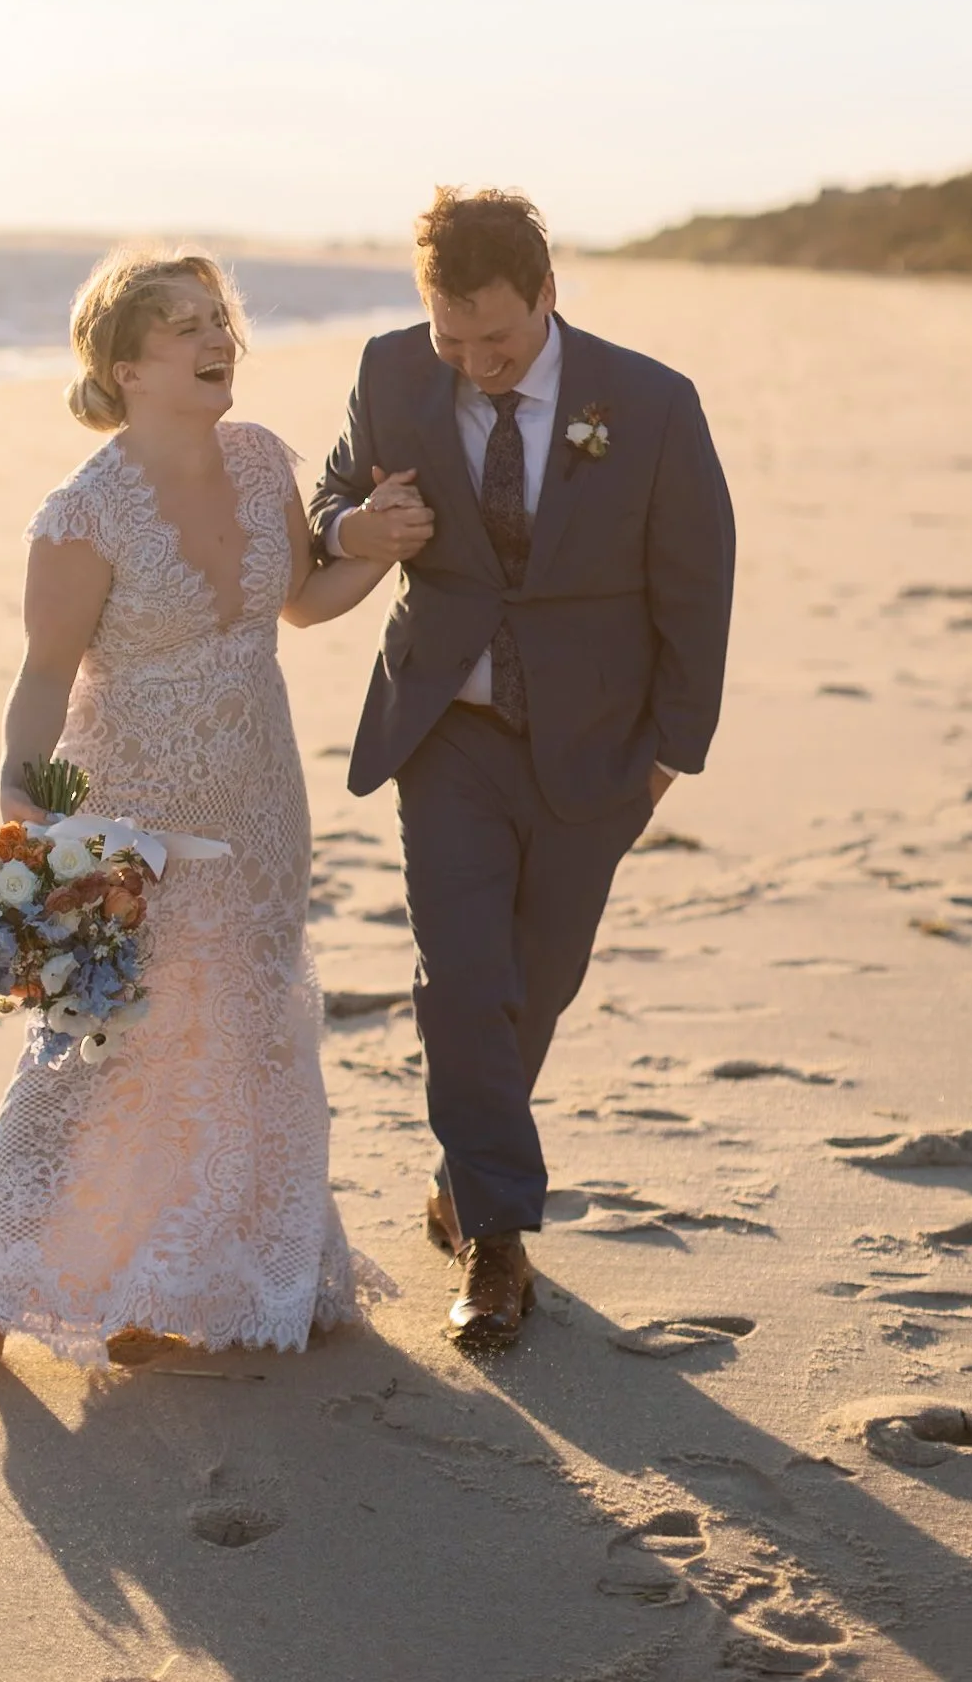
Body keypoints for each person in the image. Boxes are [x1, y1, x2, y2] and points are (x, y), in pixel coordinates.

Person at [0, 249, 421, 1368]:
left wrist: (380, 551)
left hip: (258, 799)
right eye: (187, 325)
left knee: (243, 1021)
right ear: (125, 364)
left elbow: (299, 600)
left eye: (221, 320)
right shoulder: (80, 515)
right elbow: (46, 674)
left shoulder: (257, 462)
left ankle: (199, 1276)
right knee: (94, 1041)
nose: (216, 340)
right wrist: (19, 796)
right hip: (130, 807)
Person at [309, 188, 735, 1353]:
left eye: (496, 339)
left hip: (600, 747)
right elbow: (332, 499)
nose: (476, 364)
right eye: (453, 340)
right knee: (459, 972)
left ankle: (465, 1173)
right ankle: (498, 1237)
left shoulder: (649, 403)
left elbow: (699, 588)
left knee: (533, 981)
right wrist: (356, 529)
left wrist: (667, 759)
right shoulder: (394, 374)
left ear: (547, 296)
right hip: (444, 726)